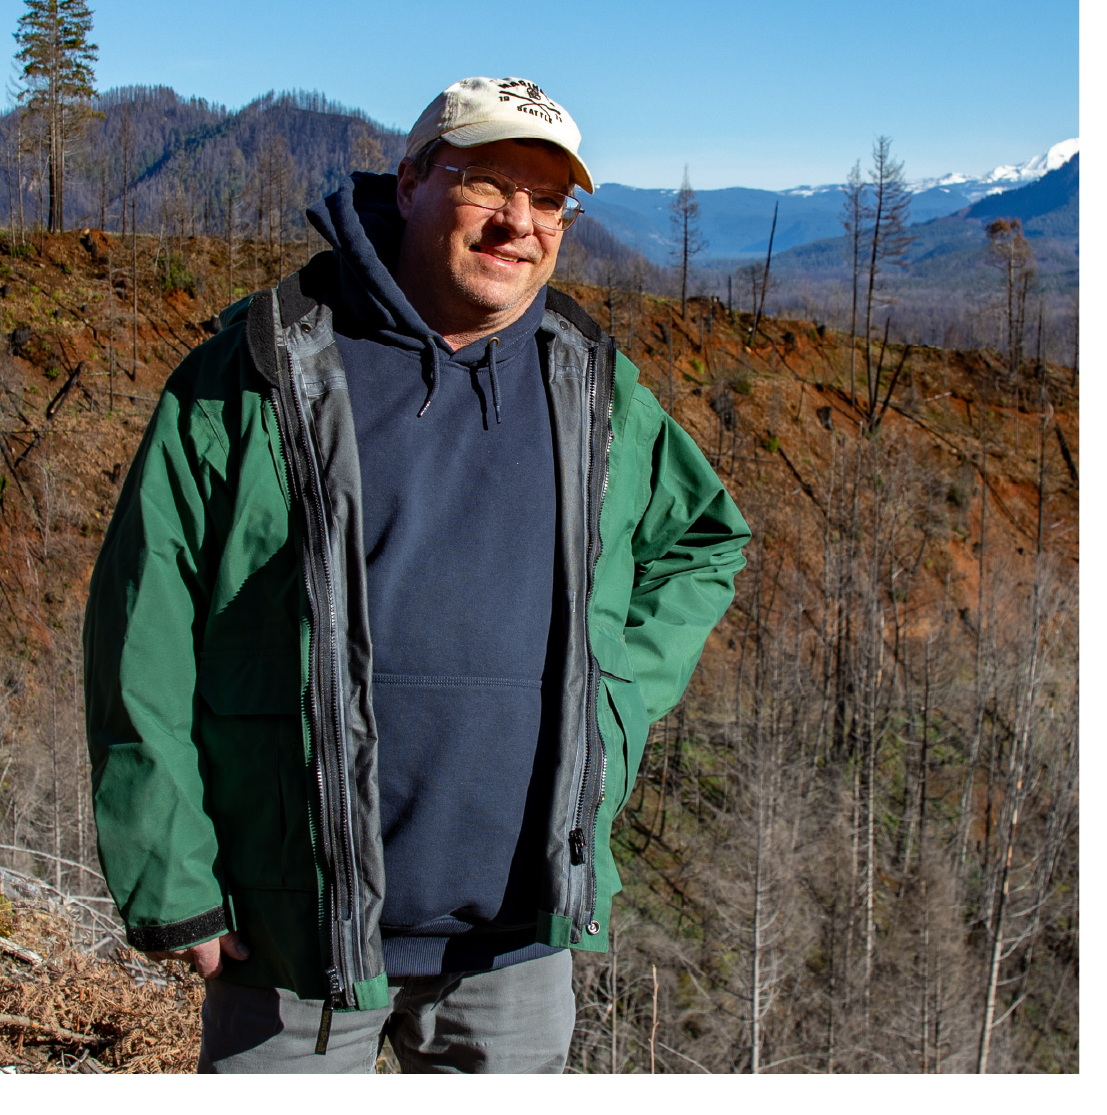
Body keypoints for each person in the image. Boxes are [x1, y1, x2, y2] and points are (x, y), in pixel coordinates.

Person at [83, 76, 750, 1074]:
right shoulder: (263, 369)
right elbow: (145, 623)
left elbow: (703, 539)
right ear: (410, 180)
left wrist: (613, 693)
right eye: (489, 183)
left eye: (550, 199)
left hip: (516, 942)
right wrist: (170, 871)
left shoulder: (589, 382)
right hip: (290, 932)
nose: (521, 222)